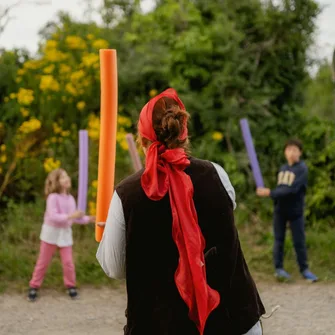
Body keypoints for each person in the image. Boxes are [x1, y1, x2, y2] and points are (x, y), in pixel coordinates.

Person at [97, 88, 265, 335]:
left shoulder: (126, 195)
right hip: (235, 320)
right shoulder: (217, 174)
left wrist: (111, 230)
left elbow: (115, 268)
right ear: (184, 134)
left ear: (143, 141)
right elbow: (224, 221)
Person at [28, 168, 95, 301]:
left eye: (67, 176)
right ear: (57, 182)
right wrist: (72, 215)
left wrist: (89, 219)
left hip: (65, 234)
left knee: (68, 262)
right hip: (50, 234)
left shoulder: (70, 198)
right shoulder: (53, 198)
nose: (67, 178)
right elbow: (53, 216)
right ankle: (34, 286)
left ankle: (71, 286)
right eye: (63, 177)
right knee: (43, 262)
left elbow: (75, 218)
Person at [256, 139, 318, 282]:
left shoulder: (302, 169)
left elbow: (291, 189)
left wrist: (269, 193)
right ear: (285, 152)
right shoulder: (283, 168)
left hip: (296, 212)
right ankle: (278, 269)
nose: (291, 152)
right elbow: (281, 188)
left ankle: (305, 270)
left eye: (295, 150)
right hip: (280, 211)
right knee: (279, 240)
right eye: (289, 149)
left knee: (299, 241)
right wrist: (272, 194)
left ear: (300, 153)